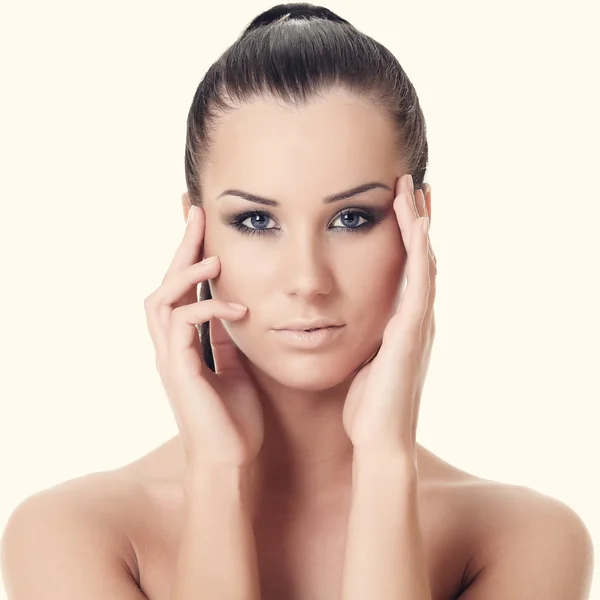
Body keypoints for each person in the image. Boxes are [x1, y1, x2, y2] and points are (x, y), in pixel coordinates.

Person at [1, 3, 594, 600]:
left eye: (352, 218)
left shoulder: (525, 540)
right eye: (256, 219)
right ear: (196, 230)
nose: (307, 279)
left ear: (417, 223)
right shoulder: (72, 535)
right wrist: (216, 475)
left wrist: (386, 465)